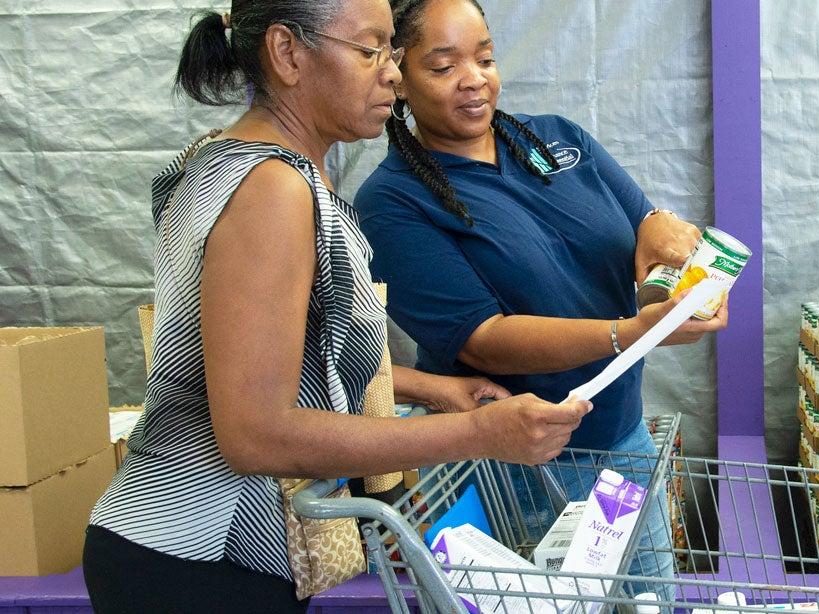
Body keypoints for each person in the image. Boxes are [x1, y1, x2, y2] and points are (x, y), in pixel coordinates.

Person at [83, 2, 589, 612]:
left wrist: (429, 388)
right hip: (198, 556)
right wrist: (477, 434)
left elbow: (269, 359)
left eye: (391, 52)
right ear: (287, 53)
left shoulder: (235, 159)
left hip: (193, 555)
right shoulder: (271, 189)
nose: (393, 74)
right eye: (370, 50)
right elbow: (254, 433)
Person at [353, 0, 726, 592]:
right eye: (444, 66)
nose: (474, 79)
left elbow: (644, 237)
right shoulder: (392, 203)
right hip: (517, 466)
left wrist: (671, 263)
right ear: (399, 78)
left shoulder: (557, 139)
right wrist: (632, 333)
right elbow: (484, 339)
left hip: (620, 437)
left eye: (485, 58)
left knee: (652, 599)